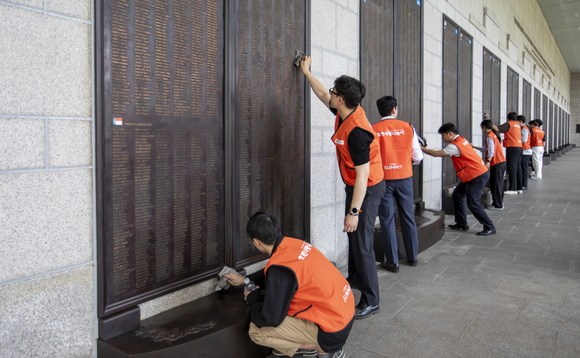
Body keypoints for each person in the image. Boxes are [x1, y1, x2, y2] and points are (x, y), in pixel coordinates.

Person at [299, 56, 385, 319]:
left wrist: (354, 211)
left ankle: (371, 299)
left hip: (367, 188)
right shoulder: (344, 110)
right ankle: (357, 279)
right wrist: (306, 72)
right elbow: (322, 92)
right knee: (353, 237)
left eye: (335, 93)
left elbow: (363, 177)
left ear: (342, 100)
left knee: (361, 241)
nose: (331, 95)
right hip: (357, 187)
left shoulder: (358, 132)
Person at [224, 212, 353, 358]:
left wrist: (253, 295)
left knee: (257, 332)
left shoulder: (279, 269)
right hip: (344, 311)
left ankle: (322, 348)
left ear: (256, 242)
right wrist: (244, 280)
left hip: (332, 331)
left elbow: (269, 318)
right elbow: (275, 272)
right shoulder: (294, 244)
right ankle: (317, 343)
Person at [371, 96, 423, 273]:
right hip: (404, 178)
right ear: (394, 109)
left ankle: (392, 261)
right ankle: (412, 256)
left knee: (387, 219)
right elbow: (418, 156)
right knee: (408, 216)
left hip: (383, 179)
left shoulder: (373, 129)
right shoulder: (408, 127)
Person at [421, 123, 496, 236]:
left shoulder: (455, 146)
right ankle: (461, 223)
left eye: (443, 135)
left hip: (476, 175)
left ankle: (490, 227)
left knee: (473, 203)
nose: (442, 138)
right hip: (473, 174)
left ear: (450, 134)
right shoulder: (462, 140)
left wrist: (420, 148)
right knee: (457, 194)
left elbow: (436, 154)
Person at [478, 119, 506, 210]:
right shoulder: (493, 135)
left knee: (496, 184)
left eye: (482, 128)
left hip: (496, 162)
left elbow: (490, 151)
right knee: (498, 183)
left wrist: (488, 162)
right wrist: (474, 146)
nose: (482, 130)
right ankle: (498, 203)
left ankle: (498, 204)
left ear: (484, 127)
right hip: (501, 162)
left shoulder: (489, 136)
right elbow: (486, 149)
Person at [493, 112, 522, 195]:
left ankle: (512, 188)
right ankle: (519, 188)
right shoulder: (517, 125)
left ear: (508, 118)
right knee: (518, 168)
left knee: (511, 168)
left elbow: (497, 129)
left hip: (512, 147)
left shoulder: (509, 124)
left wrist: (489, 122)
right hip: (519, 147)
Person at [518, 115, 532, 190]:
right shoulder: (523, 128)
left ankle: (524, 184)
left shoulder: (524, 128)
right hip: (524, 151)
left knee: (524, 169)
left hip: (525, 151)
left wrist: (516, 140)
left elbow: (524, 140)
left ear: (520, 121)